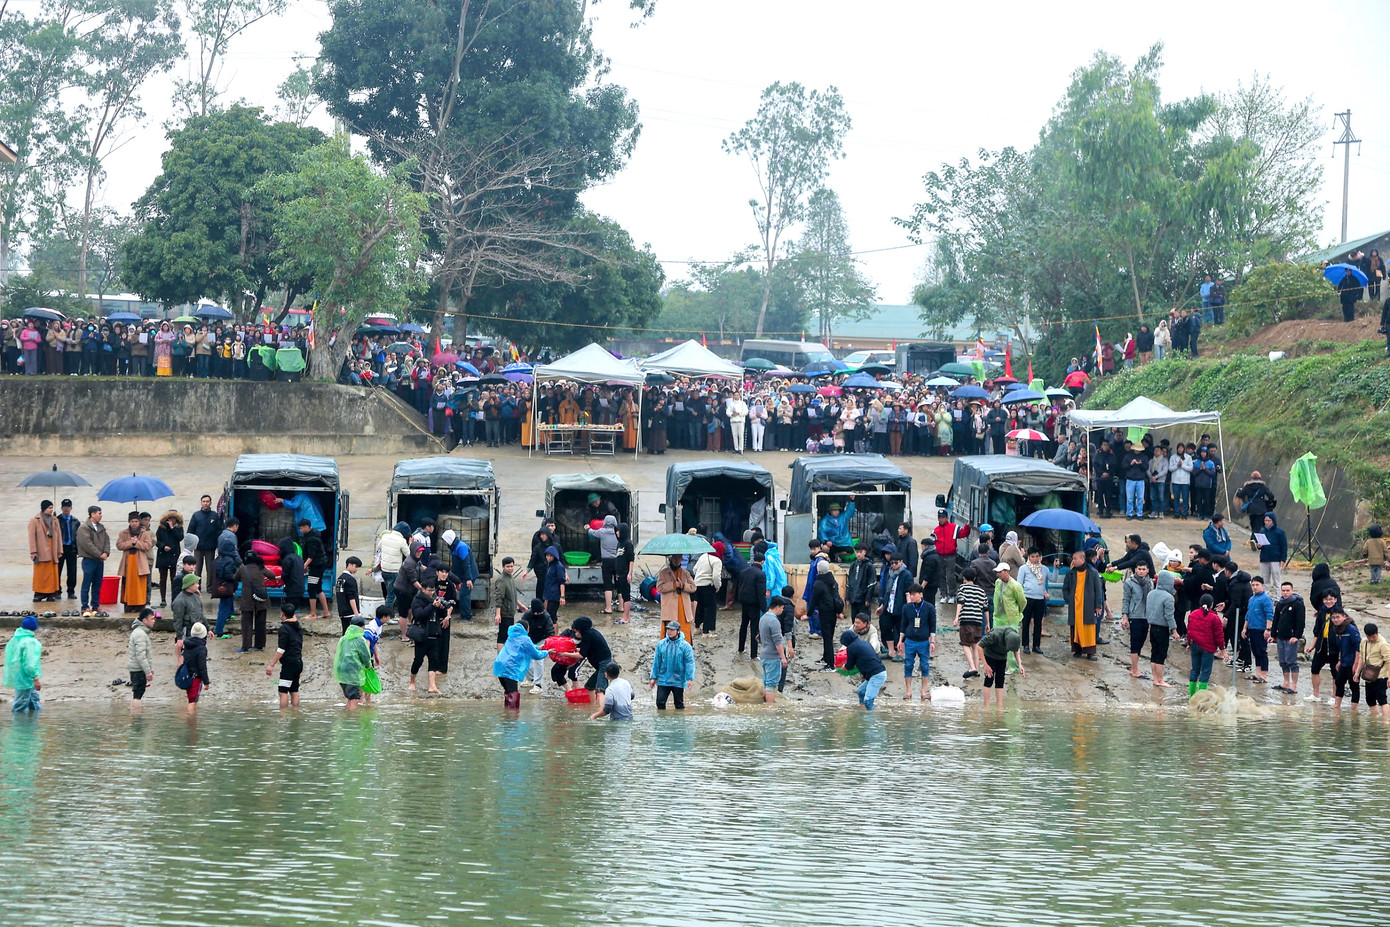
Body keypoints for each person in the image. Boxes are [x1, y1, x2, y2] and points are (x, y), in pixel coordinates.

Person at [493, 618, 549, 709]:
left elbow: (527, 647)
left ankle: (507, 712)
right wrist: (548, 652)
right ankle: (513, 714)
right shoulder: (525, 639)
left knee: (508, 691)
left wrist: (539, 647)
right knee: (513, 693)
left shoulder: (512, 636)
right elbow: (537, 655)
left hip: (499, 666)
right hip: (510, 668)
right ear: (526, 629)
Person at [897, 583, 936, 702]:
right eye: (911, 594)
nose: (912, 597)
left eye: (914, 594)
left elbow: (933, 625)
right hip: (910, 640)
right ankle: (908, 691)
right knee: (908, 665)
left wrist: (932, 641)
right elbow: (903, 625)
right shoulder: (907, 607)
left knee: (924, 665)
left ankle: (923, 691)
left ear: (921, 594)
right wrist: (900, 640)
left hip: (923, 641)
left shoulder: (929, 607)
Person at [649, 619, 697, 710]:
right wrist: (653, 677)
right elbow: (656, 662)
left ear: (678, 631)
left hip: (678, 679)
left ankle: (679, 719)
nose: (669, 632)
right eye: (668, 629)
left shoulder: (685, 646)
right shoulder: (661, 644)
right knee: (660, 703)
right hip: (663, 678)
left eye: (672, 630)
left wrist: (689, 678)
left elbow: (689, 662)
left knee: (679, 704)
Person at [1065, 549, 1103, 660]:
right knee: (1075, 628)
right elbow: (1065, 588)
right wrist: (1069, 599)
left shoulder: (1092, 572)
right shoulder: (1071, 573)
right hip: (1075, 605)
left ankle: (1090, 652)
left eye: (1075, 559)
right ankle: (1078, 650)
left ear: (1082, 559)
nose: (1073, 561)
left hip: (1088, 605)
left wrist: (1098, 606)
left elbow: (1098, 590)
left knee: (1089, 629)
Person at [265, 603, 303, 710]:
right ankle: (296, 713)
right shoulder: (298, 627)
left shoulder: (284, 629)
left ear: (282, 614)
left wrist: (272, 665)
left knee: (283, 691)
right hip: (298, 662)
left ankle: (283, 715)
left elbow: (281, 649)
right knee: (294, 690)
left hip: (289, 664)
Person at [839, 628, 888, 711]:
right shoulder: (864, 643)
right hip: (878, 672)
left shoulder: (852, 647)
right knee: (861, 691)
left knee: (868, 701)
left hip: (877, 675)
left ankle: (871, 717)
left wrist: (844, 667)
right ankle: (863, 710)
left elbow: (849, 665)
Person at [571, 616, 614, 710]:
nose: (575, 633)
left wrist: (564, 654)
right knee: (590, 686)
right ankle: (593, 707)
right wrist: (569, 650)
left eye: (576, 631)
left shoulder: (588, 636)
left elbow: (581, 655)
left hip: (604, 664)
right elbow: (584, 650)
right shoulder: (591, 633)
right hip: (601, 665)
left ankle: (602, 710)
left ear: (580, 629)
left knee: (600, 690)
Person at [1306, 589, 1341, 703]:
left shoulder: (1340, 613)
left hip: (1335, 646)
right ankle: (1316, 695)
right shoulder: (1321, 612)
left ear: (1335, 600)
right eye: (1326, 599)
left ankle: (1334, 696)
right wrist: (1312, 646)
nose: (1328, 601)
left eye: (1331, 599)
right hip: (1321, 644)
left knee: (1335, 672)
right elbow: (1317, 631)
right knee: (1314, 669)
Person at [76, 505, 110, 617]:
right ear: (92, 514)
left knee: (97, 584)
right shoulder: (84, 528)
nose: (101, 515)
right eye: (99, 513)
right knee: (87, 583)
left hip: (100, 561)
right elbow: (87, 544)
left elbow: (107, 540)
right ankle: (85, 606)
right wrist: (99, 554)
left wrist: (106, 552)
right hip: (89, 560)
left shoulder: (101, 528)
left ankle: (95, 605)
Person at [1120, 562, 1153, 680]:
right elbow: (1126, 600)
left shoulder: (1150, 583)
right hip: (1134, 616)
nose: (1141, 571)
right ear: (1135, 569)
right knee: (1135, 642)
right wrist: (1125, 617)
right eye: (1139, 569)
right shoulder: (1129, 583)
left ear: (1147, 570)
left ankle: (1134, 667)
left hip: (1146, 616)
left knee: (1142, 641)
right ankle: (1135, 669)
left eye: (1144, 569)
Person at [1145, 569, 1177, 689]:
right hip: (1162, 629)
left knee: (1154, 652)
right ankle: (1160, 679)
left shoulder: (1151, 594)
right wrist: (1174, 630)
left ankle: (1155, 678)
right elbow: (1169, 616)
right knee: (1161, 654)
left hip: (1152, 627)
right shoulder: (1169, 597)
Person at [3, 614, 42, 713]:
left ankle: (33, 718)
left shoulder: (16, 639)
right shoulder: (31, 642)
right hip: (26, 677)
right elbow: (29, 664)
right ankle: (18, 720)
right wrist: (35, 678)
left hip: (18, 674)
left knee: (34, 700)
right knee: (20, 705)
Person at [809, 563, 843, 670]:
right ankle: (826, 657)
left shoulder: (818, 584)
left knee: (827, 638)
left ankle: (830, 664)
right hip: (833, 612)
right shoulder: (833, 581)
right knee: (829, 636)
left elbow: (813, 600)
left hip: (824, 613)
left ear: (819, 571)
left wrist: (808, 613)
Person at [334, 615, 373, 710]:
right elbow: (365, 657)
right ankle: (352, 718)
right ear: (361, 627)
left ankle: (347, 715)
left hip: (341, 671)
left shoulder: (343, 638)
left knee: (350, 697)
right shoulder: (360, 640)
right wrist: (368, 666)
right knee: (354, 698)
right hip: (352, 672)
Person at [1272, 582, 1305, 696]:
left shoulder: (1298, 604)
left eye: (1287, 591)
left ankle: (1294, 685)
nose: (1285, 593)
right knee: (1283, 661)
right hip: (1280, 636)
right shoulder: (1280, 603)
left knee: (1292, 661)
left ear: (1292, 591)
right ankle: (1286, 682)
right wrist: (1273, 635)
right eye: (1283, 591)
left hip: (1291, 637)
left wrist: (1296, 636)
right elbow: (1276, 619)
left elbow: (1301, 622)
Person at [979, 625, 1024, 706]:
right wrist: (985, 665)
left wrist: (1020, 664)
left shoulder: (1014, 636)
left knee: (1000, 680)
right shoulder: (995, 635)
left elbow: (1016, 650)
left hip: (1002, 657)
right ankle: (986, 705)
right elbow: (979, 646)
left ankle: (999, 704)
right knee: (989, 678)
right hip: (990, 655)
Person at [28, 500, 63, 603]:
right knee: (40, 573)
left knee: (52, 573)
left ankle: (51, 593)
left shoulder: (55, 520)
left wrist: (59, 550)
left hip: (52, 549)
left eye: (52, 507)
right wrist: (33, 551)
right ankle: (39, 593)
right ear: (44, 508)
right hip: (41, 550)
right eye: (49, 508)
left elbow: (58, 535)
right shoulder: (35, 520)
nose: (51, 510)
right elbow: (31, 537)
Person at [657, 554, 696, 644]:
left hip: (683, 607)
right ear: (671, 558)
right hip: (670, 608)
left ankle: (685, 648)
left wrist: (683, 585)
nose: (676, 560)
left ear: (681, 559)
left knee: (684, 630)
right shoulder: (663, 573)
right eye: (674, 557)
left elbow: (693, 587)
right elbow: (659, 587)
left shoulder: (686, 573)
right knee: (669, 630)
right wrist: (674, 585)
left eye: (678, 558)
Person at [186, 495, 223, 590]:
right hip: (198, 547)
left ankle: (209, 587)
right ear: (201, 503)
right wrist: (192, 545)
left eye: (207, 501)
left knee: (210, 569)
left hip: (210, 547)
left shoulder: (214, 515)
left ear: (210, 503)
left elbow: (219, 531)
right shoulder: (196, 515)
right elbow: (190, 531)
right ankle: (197, 586)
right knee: (197, 568)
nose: (205, 503)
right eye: (204, 501)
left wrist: (218, 544)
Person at [234, 552, 268, 653]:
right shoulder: (260, 567)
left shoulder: (242, 569)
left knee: (246, 623)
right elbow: (272, 575)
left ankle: (246, 646)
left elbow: (235, 578)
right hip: (261, 599)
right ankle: (259, 645)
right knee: (261, 623)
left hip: (247, 600)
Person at [757, 597, 789, 704]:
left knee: (766, 683)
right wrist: (783, 657)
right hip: (773, 657)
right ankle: (770, 707)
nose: (782, 610)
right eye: (782, 608)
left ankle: (766, 704)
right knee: (771, 685)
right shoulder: (774, 621)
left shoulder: (763, 618)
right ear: (777, 607)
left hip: (764, 655)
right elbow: (778, 641)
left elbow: (759, 637)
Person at [1330, 609, 1362, 711]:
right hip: (1344, 662)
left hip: (1353, 662)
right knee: (1339, 682)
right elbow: (1341, 647)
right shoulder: (1336, 629)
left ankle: (1354, 710)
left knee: (1354, 685)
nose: (1335, 620)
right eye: (1333, 618)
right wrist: (1339, 660)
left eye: (1338, 617)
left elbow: (1358, 647)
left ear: (1344, 617)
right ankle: (1337, 706)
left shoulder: (1351, 629)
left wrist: (1356, 664)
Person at [490, 557, 524, 650]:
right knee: (502, 636)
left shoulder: (510, 577)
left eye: (511, 566)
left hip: (510, 612)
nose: (510, 568)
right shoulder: (502, 580)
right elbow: (498, 598)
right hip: (505, 613)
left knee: (509, 635)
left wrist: (520, 605)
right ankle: (500, 656)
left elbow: (512, 595)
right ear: (503, 567)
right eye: (508, 566)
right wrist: (498, 614)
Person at [1019, 547, 1048, 655]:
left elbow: (1053, 578)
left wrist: (1055, 568)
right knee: (1026, 622)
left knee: (1038, 623)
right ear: (1028, 557)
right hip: (1027, 598)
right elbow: (1019, 584)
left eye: (1037, 556)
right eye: (1032, 557)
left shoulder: (1044, 569)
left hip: (1040, 599)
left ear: (1040, 557)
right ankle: (1025, 645)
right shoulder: (1023, 568)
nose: (1035, 559)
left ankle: (1036, 646)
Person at [126, 607, 157, 706]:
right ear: (144, 620)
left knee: (137, 694)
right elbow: (141, 655)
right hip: (138, 669)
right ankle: (136, 714)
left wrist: (149, 668)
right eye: (152, 619)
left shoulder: (139, 632)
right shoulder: (140, 634)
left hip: (137, 668)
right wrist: (148, 671)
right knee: (138, 695)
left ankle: (134, 713)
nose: (154, 621)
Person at [1360, 623, 1390, 720]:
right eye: (1369, 637)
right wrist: (1357, 673)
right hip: (1369, 675)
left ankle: (1386, 722)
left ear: (1377, 633)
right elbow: (1362, 658)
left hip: (1381, 675)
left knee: (1382, 700)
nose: (1371, 639)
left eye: (1373, 636)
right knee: (1370, 699)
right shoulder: (1364, 642)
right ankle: (1375, 720)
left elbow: (1389, 661)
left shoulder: (1383, 644)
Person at [153, 510, 184, 608]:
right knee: (163, 578)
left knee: (174, 578)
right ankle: (163, 599)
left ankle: (174, 598)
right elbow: (157, 541)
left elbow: (180, 537)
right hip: (163, 555)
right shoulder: (161, 528)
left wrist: (172, 528)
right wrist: (163, 546)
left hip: (174, 555)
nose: (172, 520)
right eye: (170, 519)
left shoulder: (178, 528)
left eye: (174, 519)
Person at [691, 543, 722, 637]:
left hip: (697, 585)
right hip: (708, 586)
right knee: (710, 609)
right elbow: (716, 576)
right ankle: (706, 632)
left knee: (700, 606)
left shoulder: (703, 556)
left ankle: (697, 628)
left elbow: (694, 569)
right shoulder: (717, 560)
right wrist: (718, 586)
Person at [181, 622, 210, 715]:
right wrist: (206, 682)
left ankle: (190, 718)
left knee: (190, 698)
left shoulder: (186, 644)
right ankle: (190, 720)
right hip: (195, 678)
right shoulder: (202, 649)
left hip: (186, 676)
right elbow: (202, 667)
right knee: (193, 701)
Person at [1255, 513, 1287, 590]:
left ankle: (1277, 596)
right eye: (1265, 520)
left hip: (1275, 559)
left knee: (1277, 581)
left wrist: (1283, 559)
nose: (1267, 522)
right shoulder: (1262, 531)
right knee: (1265, 581)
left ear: (1273, 521)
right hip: (1264, 558)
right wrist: (1259, 546)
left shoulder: (1280, 532)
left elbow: (1284, 546)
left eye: (1269, 520)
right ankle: (1265, 595)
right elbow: (1260, 545)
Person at [171, 572, 203, 644]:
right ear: (190, 586)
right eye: (196, 583)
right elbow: (178, 620)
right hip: (187, 630)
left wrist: (208, 628)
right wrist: (179, 637)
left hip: (198, 628)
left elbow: (201, 614)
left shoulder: (196, 597)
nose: (198, 585)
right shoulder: (179, 601)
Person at [335, 555, 362, 634]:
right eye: (355, 566)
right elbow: (351, 598)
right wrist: (356, 614)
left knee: (345, 632)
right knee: (352, 634)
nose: (356, 569)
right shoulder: (350, 580)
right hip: (350, 612)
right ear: (349, 565)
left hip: (342, 611)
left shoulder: (340, 579)